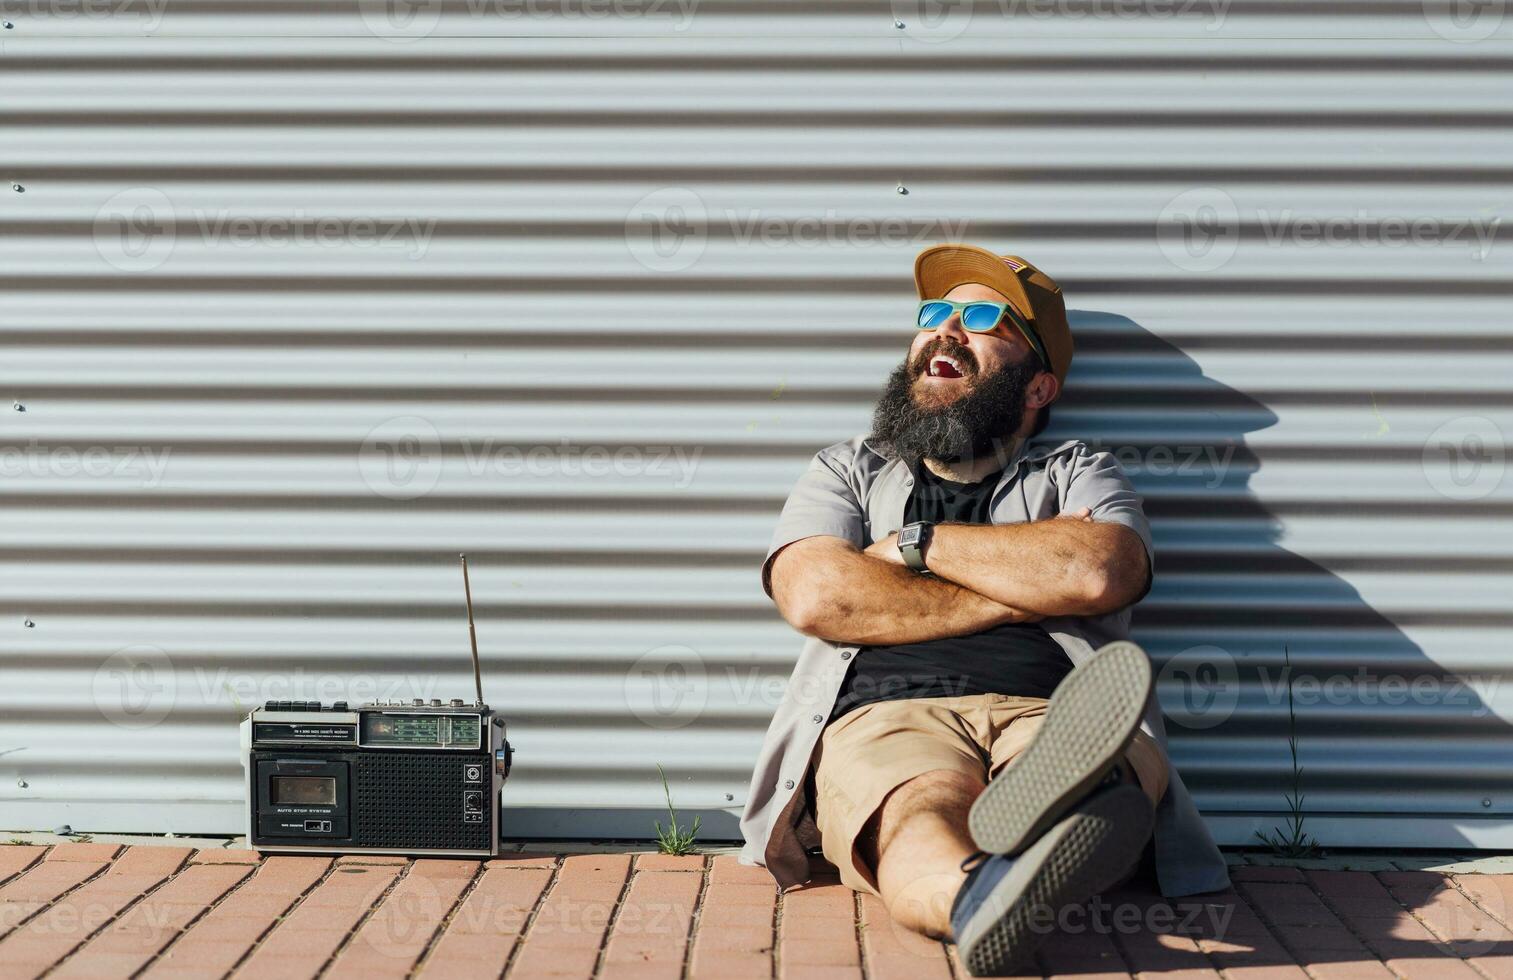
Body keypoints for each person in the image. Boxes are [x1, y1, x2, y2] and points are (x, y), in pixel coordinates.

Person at [738, 243, 1230, 975]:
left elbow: (1098, 571)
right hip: (889, 711)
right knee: (915, 808)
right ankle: (981, 896)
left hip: (1066, 711)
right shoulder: (846, 467)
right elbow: (817, 595)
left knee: (1076, 769)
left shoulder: (1078, 469)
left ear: (1037, 389)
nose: (946, 331)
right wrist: (1018, 595)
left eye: (980, 319)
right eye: (934, 314)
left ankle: (1027, 843)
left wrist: (913, 543)